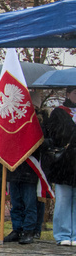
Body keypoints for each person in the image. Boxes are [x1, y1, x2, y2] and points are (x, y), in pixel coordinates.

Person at [43, 86, 76, 245]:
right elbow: (54, 135)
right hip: (65, 162)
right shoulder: (59, 112)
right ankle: (63, 234)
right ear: (68, 94)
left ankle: (75, 235)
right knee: (63, 199)